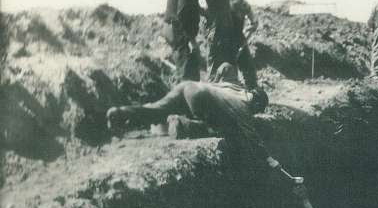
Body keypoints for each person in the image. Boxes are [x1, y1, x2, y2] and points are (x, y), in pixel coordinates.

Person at [105, 77, 300, 183]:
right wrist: (269, 159)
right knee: (216, 130)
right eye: (258, 109)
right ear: (255, 102)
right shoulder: (243, 107)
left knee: (156, 109)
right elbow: (251, 136)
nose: (256, 113)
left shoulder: (234, 87)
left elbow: (220, 75)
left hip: (188, 85)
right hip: (198, 97)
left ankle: (119, 113)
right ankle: (181, 124)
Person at [164, 0, 216, 81]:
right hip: (179, 33)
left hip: (172, 29)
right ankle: (181, 100)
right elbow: (183, 14)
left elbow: (187, 5)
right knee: (187, 77)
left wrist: (202, 12)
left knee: (187, 72)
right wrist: (192, 41)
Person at [227, 0, 259, 88]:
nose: (238, 6)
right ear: (229, 1)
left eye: (239, 2)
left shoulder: (244, 5)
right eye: (235, 4)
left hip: (239, 37)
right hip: (225, 39)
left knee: (249, 68)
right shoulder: (223, 7)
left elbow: (254, 22)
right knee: (230, 69)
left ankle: (251, 91)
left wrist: (246, 36)